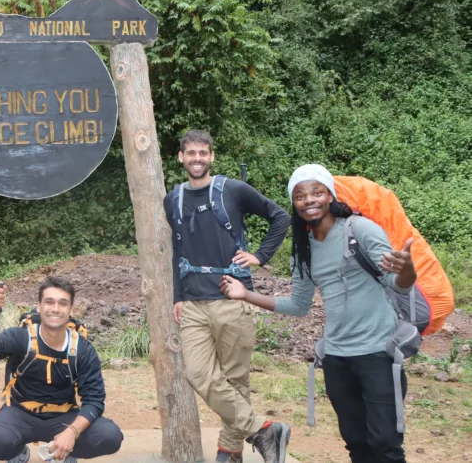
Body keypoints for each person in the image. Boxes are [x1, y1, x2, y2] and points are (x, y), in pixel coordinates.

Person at [220, 163, 416, 463]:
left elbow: (399, 284)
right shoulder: (304, 249)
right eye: (299, 196)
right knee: (356, 443)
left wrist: (407, 269)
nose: (309, 200)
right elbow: (299, 305)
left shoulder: (360, 230)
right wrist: (246, 295)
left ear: (330, 196)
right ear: (294, 204)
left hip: (378, 353)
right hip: (337, 358)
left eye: (316, 192)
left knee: (386, 444)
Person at [163, 130, 293, 463]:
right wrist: (178, 296)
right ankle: (264, 429)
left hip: (233, 298)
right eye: (191, 153)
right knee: (198, 374)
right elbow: (178, 249)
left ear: (212, 156)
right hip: (193, 304)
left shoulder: (232, 190)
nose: (197, 159)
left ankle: (229, 452)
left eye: (203, 153)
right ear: (181, 157)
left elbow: (280, 217)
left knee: (235, 381)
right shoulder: (173, 199)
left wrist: (260, 256)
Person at [0, 277, 123, 463]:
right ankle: (18, 452)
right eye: (49, 302)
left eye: (62, 303)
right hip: (20, 412)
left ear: (71, 310)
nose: (55, 308)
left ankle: (63, 451)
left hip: (64, 415)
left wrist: (72, 432)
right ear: (39, 306)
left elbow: (94, 400)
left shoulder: (82, 349)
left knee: (110, 436)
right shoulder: (22, 337)